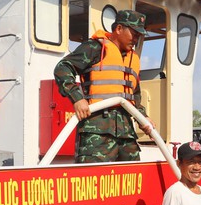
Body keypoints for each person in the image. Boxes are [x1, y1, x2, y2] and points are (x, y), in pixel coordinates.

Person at [53, 9, 154, 163]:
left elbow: (135, 95)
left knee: (132, 176)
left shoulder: (132, 59)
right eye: (134, 34)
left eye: (139, 36)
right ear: (119, 29)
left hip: (127, 136)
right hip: (97, 133)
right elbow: (63, 68)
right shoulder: (95, 48)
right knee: (93, 177)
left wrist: (143, 117)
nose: (136, 39)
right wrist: (77, 98)